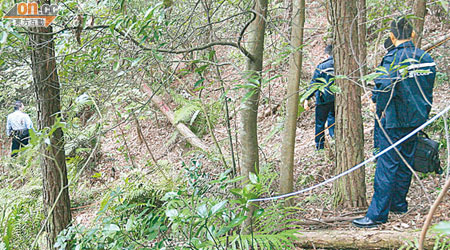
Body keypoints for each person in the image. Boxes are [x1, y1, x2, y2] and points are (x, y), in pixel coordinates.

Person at [353, 17, 436, 228]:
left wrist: (377, 106)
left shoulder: (392, 59)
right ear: (413, 35)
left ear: (392, 36)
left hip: (394, 120)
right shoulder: (426, 58)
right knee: (405, 160)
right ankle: (398, 204)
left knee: (386, 165)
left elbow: (383, 86)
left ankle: (376, 215)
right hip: (417, 118)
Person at [306, 44, 335, 150]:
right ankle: (334, 138)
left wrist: (307, 97)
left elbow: (314, 83)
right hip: (336, 97)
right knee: (333, 118)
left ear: (327, 55)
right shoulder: (340, 64)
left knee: (320, 123)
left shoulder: (322, 66)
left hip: (323, 99)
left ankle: (319, 145)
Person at [372, 37, 395, 152]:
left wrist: (375, 99)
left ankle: (378, 149)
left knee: (380, 125)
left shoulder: (389, 59)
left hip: (387, 102)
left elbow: (381, 82)